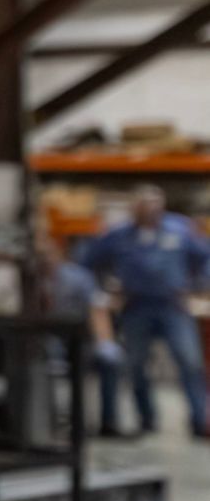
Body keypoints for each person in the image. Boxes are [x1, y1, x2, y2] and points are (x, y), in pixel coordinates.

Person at [82, 184, 210, 439]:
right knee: (136, 365)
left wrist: (199, 285)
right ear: (135, 208)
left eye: (155, 203)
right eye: (144, 204)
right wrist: (103, 292)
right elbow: (88, 260)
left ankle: (199, 421)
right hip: (136, 307)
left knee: (189, 362)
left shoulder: (181, 229)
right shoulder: (119, 235)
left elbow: (205, 256)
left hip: (173, 306)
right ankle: (147, 419)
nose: (150, 209)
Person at [41, 237, 123, 436]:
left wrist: (105, 342)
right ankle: (53, 422)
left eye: (48, 255)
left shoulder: (78, 277)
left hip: (78, 340)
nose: (45, 260)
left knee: (109, 361)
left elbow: (97, 310)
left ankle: (108, 422)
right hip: (43, 340)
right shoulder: (29, 280)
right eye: (40, 257)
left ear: (59, 254)